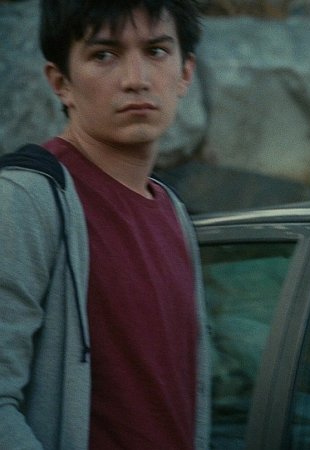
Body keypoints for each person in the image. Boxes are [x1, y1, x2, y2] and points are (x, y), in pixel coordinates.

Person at [0, 1, 210, 449]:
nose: (136, 79)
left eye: (156, 51)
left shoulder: (174, 213)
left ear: (185, 73)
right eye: (104, 55)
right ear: (61, 83)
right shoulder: (23, 201)